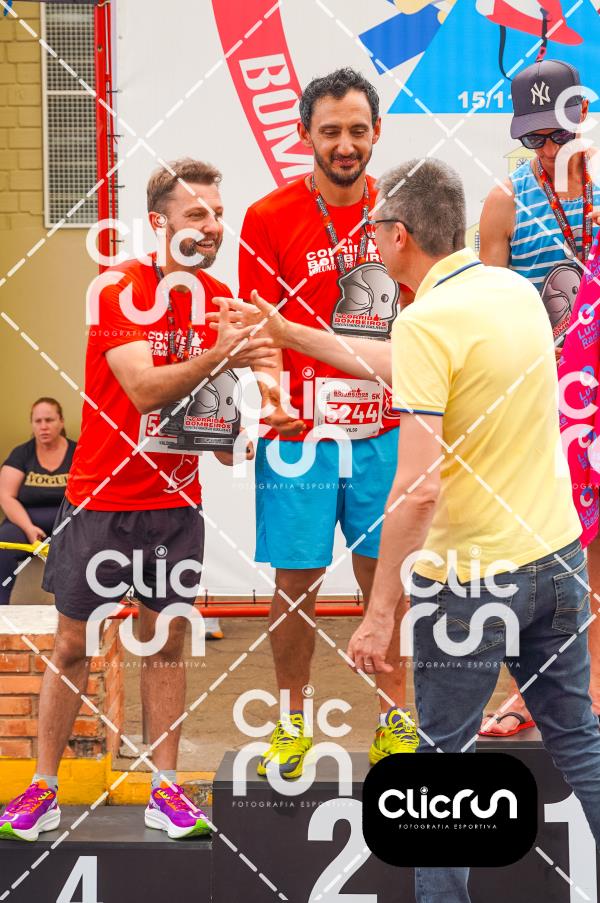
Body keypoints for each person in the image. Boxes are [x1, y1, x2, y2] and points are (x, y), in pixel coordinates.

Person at [215, 156, 600, 902]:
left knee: (441, 772)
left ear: (398, 236)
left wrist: (379, 613)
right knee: (580, 738)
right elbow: (407, 362)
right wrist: (289, 330)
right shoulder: (510, 291)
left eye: (373, 230)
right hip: (557, 560)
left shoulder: (426, 320)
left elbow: (419, 490)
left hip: (473, 580)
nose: (368, 241)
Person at [0, 158, 273, 843]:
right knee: (72, 644)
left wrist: (245, 434)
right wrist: (223, 355)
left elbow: (209, 425)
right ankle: (42, 790)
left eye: (218, 214)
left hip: (174, 506)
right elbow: (146, 390)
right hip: (102, 501)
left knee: (166, 643)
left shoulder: (218, 299)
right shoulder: (119, 289)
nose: (213, 227)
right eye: (196, 215)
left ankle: (165, 789)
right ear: (159, 223)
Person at [238, 67, 417, 780]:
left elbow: (422, 322)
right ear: (305, 133)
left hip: (383, 432)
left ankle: (395, 719)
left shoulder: (402, 208)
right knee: (295, 586)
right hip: (299, 440)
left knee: (387, 583)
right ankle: (292, 723)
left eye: (357, 130)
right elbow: (259, 328)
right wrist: (270, 395)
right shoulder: (267, 216)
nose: (346, 144)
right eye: (331, 131)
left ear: (377, 133)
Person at [479, 58, 600, 736]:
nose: (549, 149)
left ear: (583, 120)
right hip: (537, 406)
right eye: (534, 137)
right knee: (533, 553)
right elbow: (485, 313)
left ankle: (592, 686)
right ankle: (528, 691)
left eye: (559, 133)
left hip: (597, 399)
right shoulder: (505, 200)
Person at [0, 398, 76, 603]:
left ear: (61, 421)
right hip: (24, 520)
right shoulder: (21, 454)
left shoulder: (78, 453)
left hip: (68, 520)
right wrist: (28, 528)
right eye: (38, 421)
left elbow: (89, 495)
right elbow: (6, 495)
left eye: (49, 420)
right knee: (3, 542)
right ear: (32, 424)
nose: (43, 426)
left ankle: (74, 610)